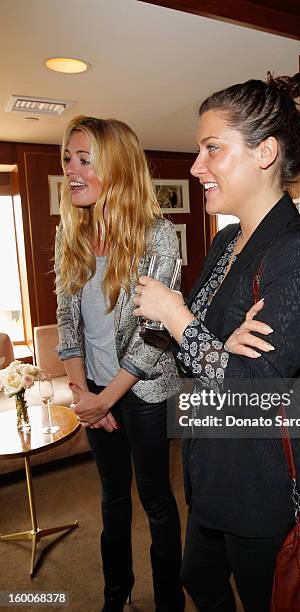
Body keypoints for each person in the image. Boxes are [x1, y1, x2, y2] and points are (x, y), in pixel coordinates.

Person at [133, 73, 300, 611]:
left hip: (266, 484)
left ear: (265, 153)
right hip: (210, 469)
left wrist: (179, 317)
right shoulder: (227, 240)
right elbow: (196, 357)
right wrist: (208, 339)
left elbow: (249, 385)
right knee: (199, 580)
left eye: (212, 149)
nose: (196, 166)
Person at [54, 116, 185, 612]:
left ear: (118, 167)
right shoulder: (73, 235)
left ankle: (169, 600)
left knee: (155, 501)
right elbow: (67, 323)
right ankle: (116, 596)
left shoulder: (158, 236)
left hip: (144, 393)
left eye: (85, 160)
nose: (72, 169)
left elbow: (155, 332)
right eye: (69, 158)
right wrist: (84, 394)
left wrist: (107, 398)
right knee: (112, 501)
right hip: (94, 394)